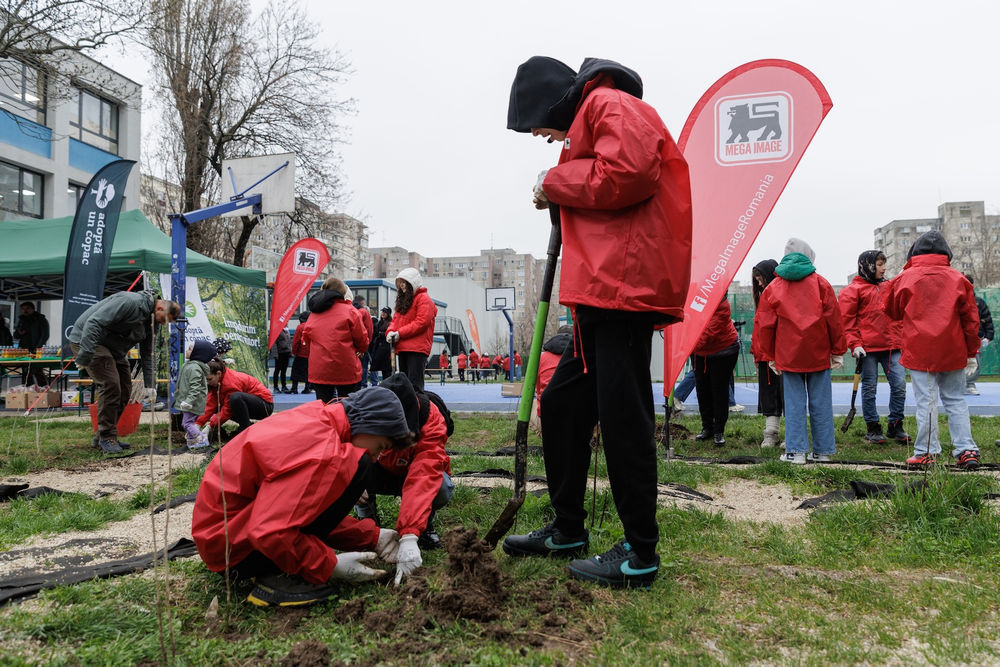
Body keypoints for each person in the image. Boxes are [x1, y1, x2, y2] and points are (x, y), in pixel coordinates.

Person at [502, 56, 692, 589]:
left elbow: (628, 174)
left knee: (623, 413)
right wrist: (558, 190)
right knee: (563, 404)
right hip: (602, 289)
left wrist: (556, 180)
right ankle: (567, 528)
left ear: (547, 102)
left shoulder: (610, 104)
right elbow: (604, 186)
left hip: (623, 287)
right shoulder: (594, 117)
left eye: (534, 124)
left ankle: (641, 551)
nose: (540, 136)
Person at [191, 386, 415, 607]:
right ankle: (276, 579)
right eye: (380, 447)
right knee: (360, 465)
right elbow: (271, 529)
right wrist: (328, 565)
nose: (377, 457)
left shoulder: (321, 418)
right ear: (370, 426)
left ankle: (280, 565)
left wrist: (373, 537)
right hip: (232, 551)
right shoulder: (328, 454)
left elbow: (296, 509)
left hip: (222, 535)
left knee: (358, 464)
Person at [885, 232, 981, 470]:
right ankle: (966, 449)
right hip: (952, 348)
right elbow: (971, 320)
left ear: (915, 252)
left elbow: (891, 311)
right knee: (956, 399)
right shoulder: (959, 279)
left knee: (926, 403)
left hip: (920, 350)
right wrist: (971, 352)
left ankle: (927, 452)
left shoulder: (904, 278)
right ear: (946, 253)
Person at [751, 239, 846, 465]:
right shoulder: (821, 284)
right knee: (821, 402)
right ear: (809, 257)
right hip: (818, 351)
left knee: (793, 403)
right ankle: (822, 451)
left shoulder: (774, 287)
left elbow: (765, 325)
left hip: (788, 354)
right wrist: (838, 350)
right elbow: (834, 320)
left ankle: (796, 451)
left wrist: (769, 355)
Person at [68, 291, 180, 454]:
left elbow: (148, 352)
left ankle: (102, 436)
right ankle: (107, 437)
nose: (163, 324)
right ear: (160, 307)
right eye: (163, 319)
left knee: (125, 389)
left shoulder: (152, 321)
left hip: (112, 348)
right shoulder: (129, 302)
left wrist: (150, 384)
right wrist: (85, 355)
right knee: (111, 385)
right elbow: (94, 323)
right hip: (88, 340)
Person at [357, 373, 453, 560]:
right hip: (378, 470)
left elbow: (424, 474)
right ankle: (367, 523)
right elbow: (347, 448)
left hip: (411, 471)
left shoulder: (430, 419)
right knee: (354, 472)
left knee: (441, 486)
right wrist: (351, 478)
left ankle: (424, 525)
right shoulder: (365, 411)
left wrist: (409, 534)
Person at [838, 250, 908, 444]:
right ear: (867, 266)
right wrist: (855, 344)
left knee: (900, 386)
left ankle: (896, 424)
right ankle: (873, 427)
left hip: (892, 346)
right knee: (869, 389)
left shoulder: (889, 286)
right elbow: (847, 322)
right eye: (879, 264)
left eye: (884, 264)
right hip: (867, 350)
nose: (884, 268)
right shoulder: (852, 291)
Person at [303, 277, 369, 402]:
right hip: (346, 367)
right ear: (342, 292)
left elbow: (306, 339)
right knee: (349, 407)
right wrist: (360, 350)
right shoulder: (350, 311)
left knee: (324, 407)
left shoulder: (314, 313)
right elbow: (362, 340)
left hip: (320, 369)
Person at [691, 296, 740, 445]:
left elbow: (708, 334)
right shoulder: (694, 298)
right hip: (700, 353)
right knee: (702, 390)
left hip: (724, 351)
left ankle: (719, 431)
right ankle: (707, 428)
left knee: (719, 391)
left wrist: (686, 345)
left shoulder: (722, 305)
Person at [197, 358, 274, 440]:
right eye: (206, 380)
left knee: (235, 398)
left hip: (264, 405)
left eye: (209, 379)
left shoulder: (230, 382)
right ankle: (248, 426)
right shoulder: (217, 382)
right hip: (249, 404)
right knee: (225, 403)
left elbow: (228, 410)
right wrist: (197, 424)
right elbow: (211, 404)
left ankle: (245, 430)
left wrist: (210, 425)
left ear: (218, 374)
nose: (207, 382)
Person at [386, 268, 437, 391]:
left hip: (417, 350)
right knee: (405, 386)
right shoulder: (404, 302)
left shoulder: (424, 299)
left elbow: (421, 322)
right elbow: (395, 321)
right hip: (403, 348)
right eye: (400, 282)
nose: (402, 285)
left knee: (415, 386)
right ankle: (408, 409)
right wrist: (390, 332)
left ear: (412, 283)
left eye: (405, 282)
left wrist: (399, 333)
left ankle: (418, 409)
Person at [750, 259, 783, 448]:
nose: (759, 283)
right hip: (764, 356)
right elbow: (758, 330)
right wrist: (756, 353)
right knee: (769, 395)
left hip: (779, 355)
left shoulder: (778, 295)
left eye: (761, 278)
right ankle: (771, 432)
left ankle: (793, 433)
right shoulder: (761, 297)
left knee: (786, 396)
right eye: (756, 280)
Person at [173, 339, 216, 450]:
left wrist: (189, 401)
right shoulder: (190, 365)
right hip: (189, 401)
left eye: (190, 349)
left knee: (187, 423)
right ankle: (192, 442)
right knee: (189, 422)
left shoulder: (194, 368)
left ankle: (201, 438)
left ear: (198, 353)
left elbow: (195, 386)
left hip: (192, 402)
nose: (187, 350)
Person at [963, 274, 994, 395]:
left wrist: (988, 337)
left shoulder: (979, 303)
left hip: (976, 338)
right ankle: (955, 385)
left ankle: (969, 384)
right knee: (956, 363)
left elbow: (987, 319)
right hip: (958, 339)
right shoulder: (955, 301)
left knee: (975, 362)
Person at [15, 302, 49, 387]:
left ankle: (43, 390)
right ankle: (27, 390)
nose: (25, 311)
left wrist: (38, 348)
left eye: (27, 308)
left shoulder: (40, 319)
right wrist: (19, 333)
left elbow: (45, 335)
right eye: (23, 309)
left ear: (33, 309)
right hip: (23, 349)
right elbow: (16, 335)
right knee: (26, 372)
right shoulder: (21, 320)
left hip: (35, 349)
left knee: (37, 370)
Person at [369, 306, 393, 386]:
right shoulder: (379, 323)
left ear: (388, 314)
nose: (382, 313)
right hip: (378, 348)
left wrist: (381, 334)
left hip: (386, 349)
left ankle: (387, 385)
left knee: (386, 370)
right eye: (382, 311)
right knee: (381, 368)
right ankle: (382, 385)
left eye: (385, 312)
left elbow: (389, 334)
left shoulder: (390, 323)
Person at [353, 295, 374, 387]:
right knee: (363, 367)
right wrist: (367, 344)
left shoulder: (350, 310)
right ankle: (362, 385)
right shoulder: (364, 312)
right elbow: (369, 329)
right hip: (361, 345)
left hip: (349, 346)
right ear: (362, 303)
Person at [289, 312, 311, 394]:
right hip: (310, 354)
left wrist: (294, 351)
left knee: (296, 371)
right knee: (308, 371)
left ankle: (294, 388)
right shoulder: (311, 326)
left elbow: (296, 341)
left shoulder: (300, 327)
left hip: (300, 353)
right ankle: (307, 388)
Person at [270, 327, 292, 394]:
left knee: (284, 370)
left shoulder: (287, 330)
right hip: (280, 353)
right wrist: (275, 354)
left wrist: (290, 351)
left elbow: (289, 342)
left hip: (286, 353)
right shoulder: (277, 330)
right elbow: (274, 343)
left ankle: (284, 386)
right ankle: (276, 387)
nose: (287, 322)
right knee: (277, 370)